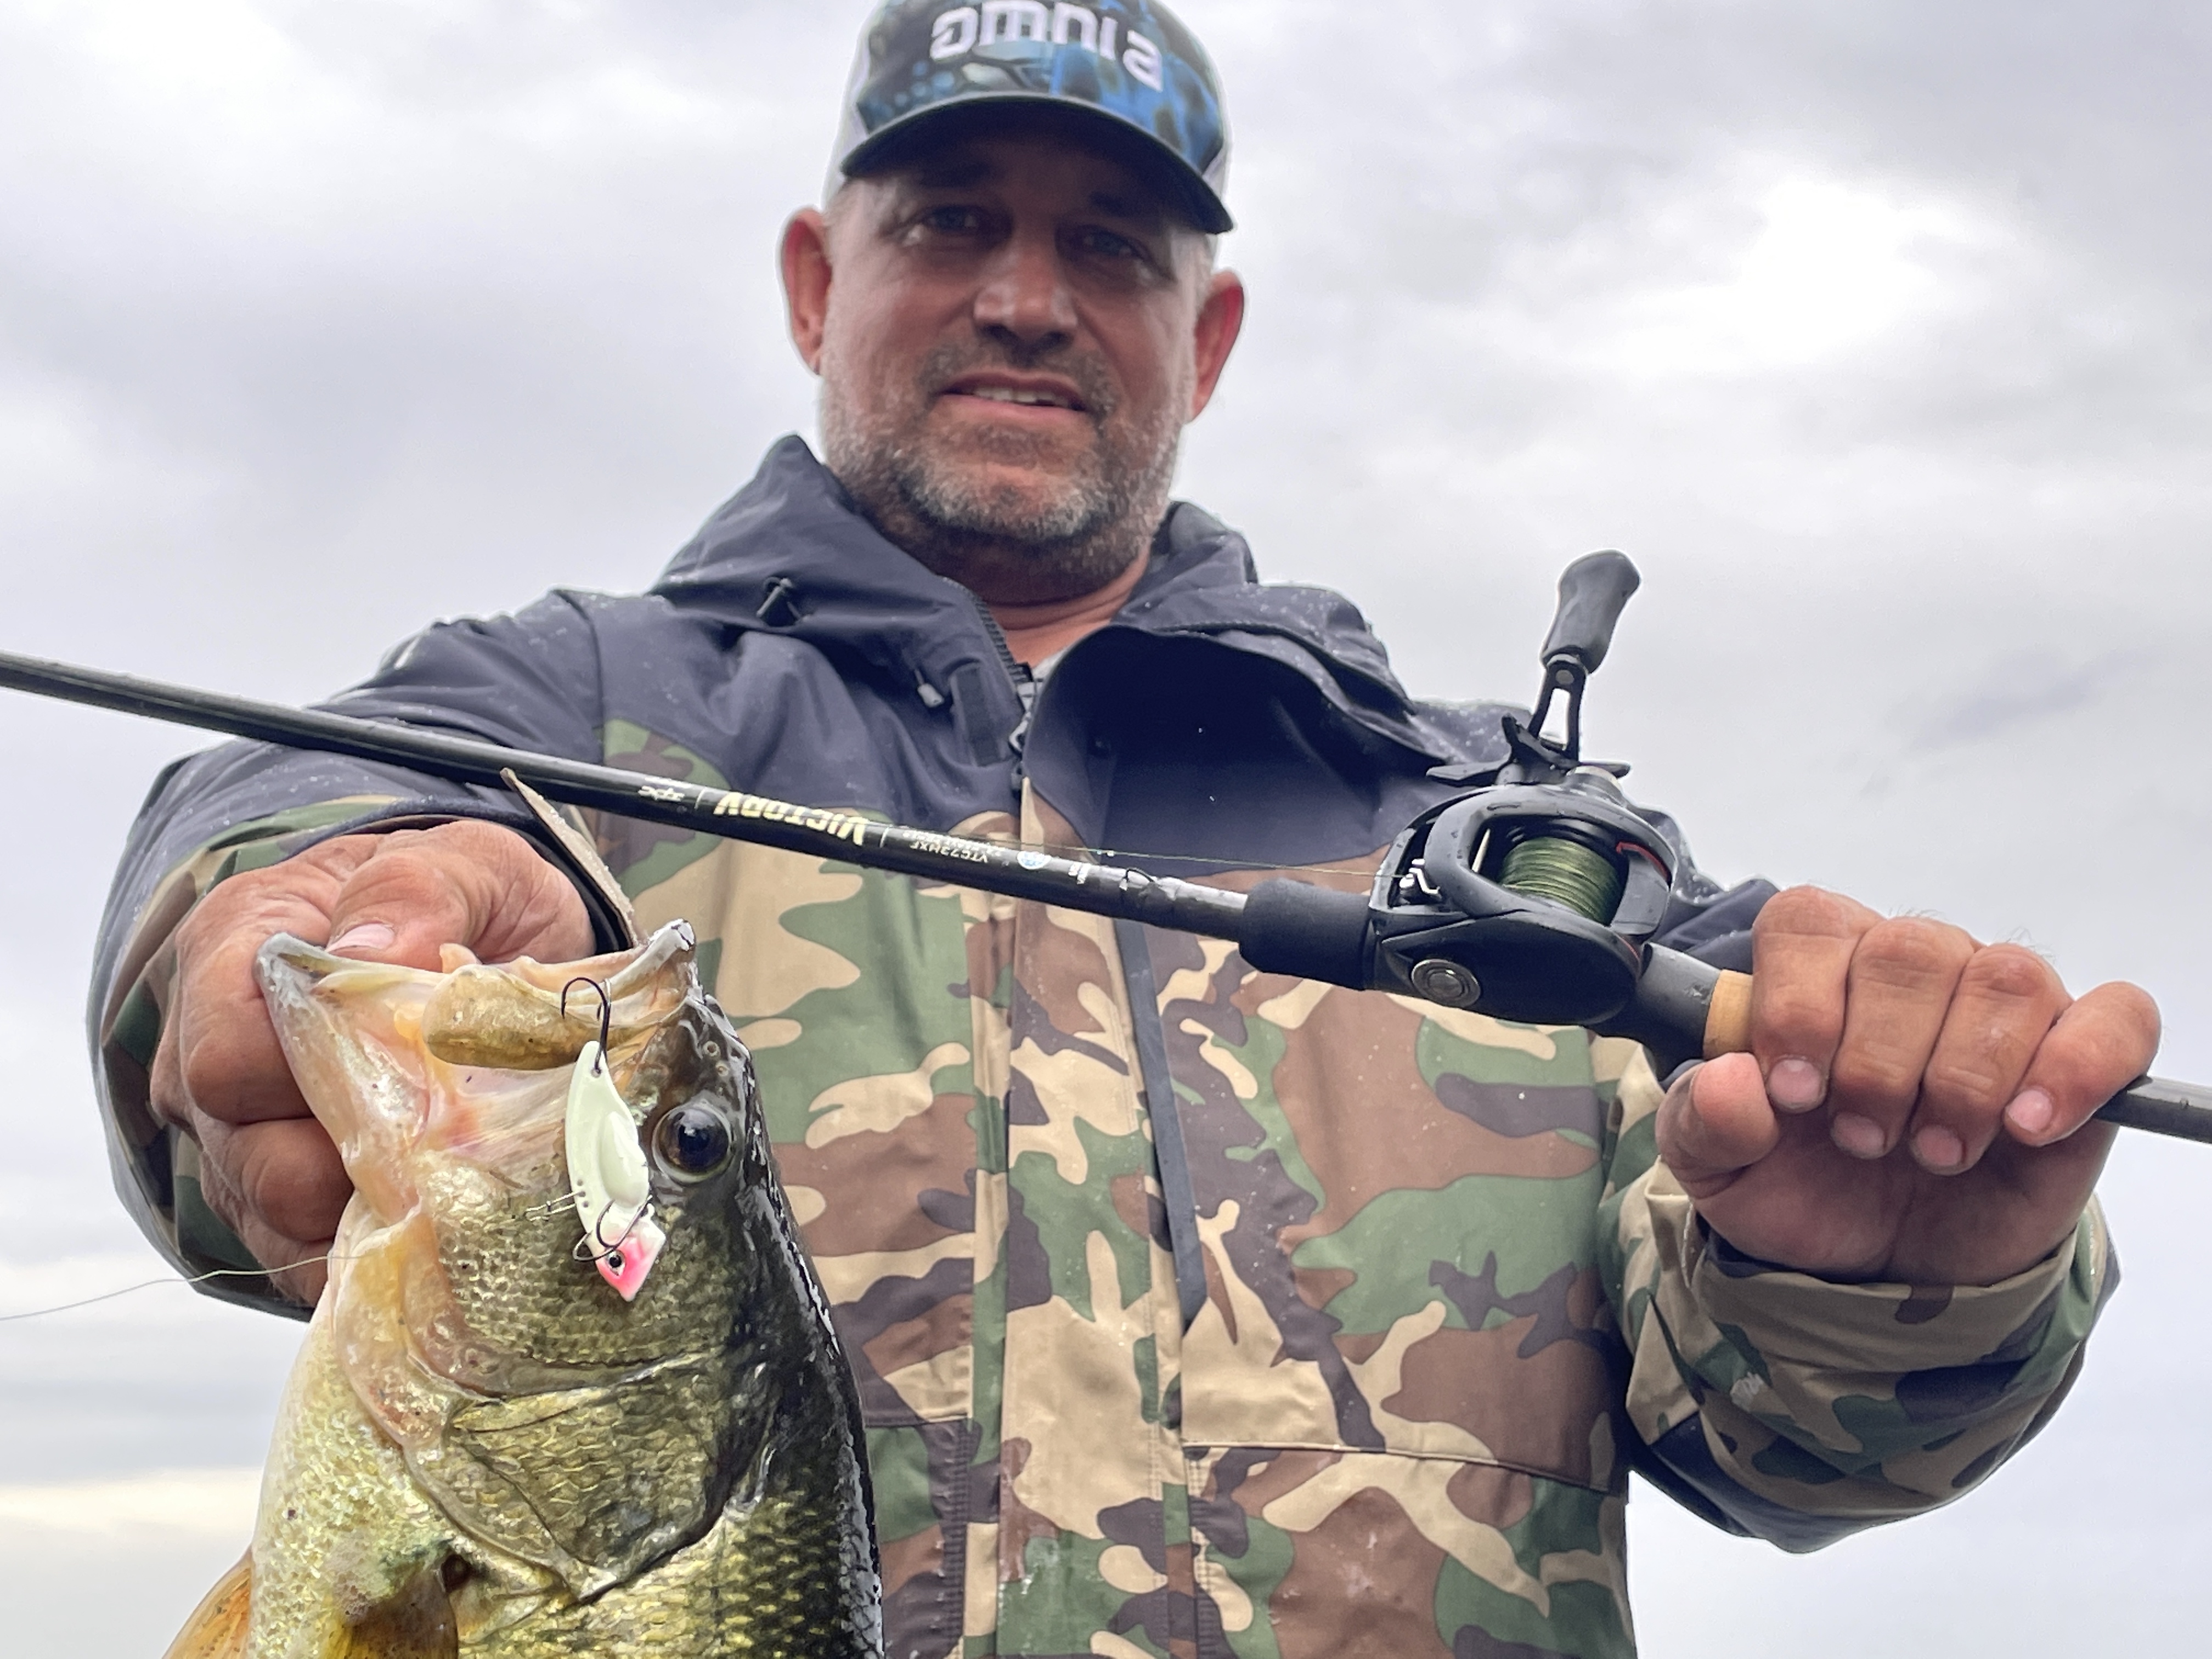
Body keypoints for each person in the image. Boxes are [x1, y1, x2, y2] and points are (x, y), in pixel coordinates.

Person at [88, 3, 2157, 1655]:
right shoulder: (557, 714)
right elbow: (285, 802)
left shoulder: (1515, 864)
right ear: (819, 285)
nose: (1023, 297)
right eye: (951, 223)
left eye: (1107, 245)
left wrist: (1894, 1285)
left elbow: (1791, 1455)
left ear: (1210, 334)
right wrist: (276, 917)